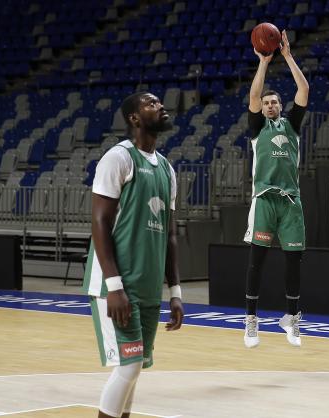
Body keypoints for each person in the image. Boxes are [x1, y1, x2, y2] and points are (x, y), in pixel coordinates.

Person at [82, 92, 184, 418]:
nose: (161, 106)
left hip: (148, 286)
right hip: (117, 284)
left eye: (159, 103)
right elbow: (99, 222)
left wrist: (176, 293)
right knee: (129, 367)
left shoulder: (167, 170)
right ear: (134, 119)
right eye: (151, 103)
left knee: (135, 369)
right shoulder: (118, 158)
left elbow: (169, 236)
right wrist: (114, 286)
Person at [242, 30, 309, 348]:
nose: (268, 105)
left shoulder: (292, 126)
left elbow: (304, 89)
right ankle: (251, 320)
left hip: (290, 201)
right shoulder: (257, 128)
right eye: (266, 103)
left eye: (273, 102)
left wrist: (287, 56)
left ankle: (292, 319)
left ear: (281, 106)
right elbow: (252, 97)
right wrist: (263, 62)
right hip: (264, 200)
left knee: (293, 261)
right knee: (258, 260)